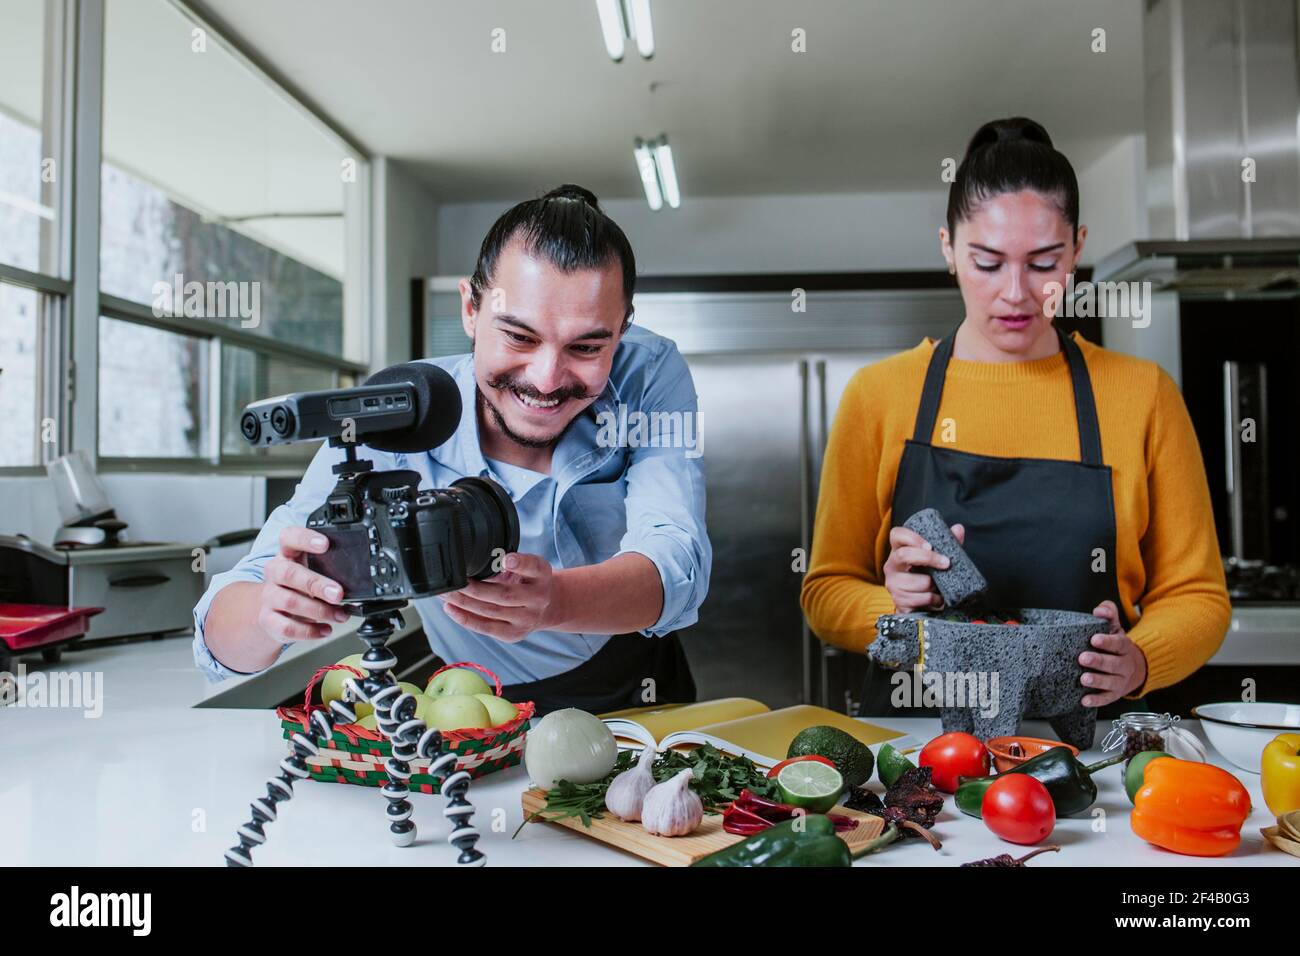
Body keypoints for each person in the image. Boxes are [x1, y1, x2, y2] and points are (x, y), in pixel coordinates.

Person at [193, 184, 710, 715]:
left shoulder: (650, 373)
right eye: (519, 337)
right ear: (471, 308)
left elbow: (679, 560)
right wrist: (270, 612)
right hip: (476, 700)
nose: (547, 380)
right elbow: (218, 643)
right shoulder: (394, 413)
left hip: (634, 676)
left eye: (586, 348)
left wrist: (556, 601)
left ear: (621, 333)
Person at [800, 117, 1230, 719]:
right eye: (988, 262)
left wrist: (1139, 659)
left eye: (1044, 262)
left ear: (1077, 249)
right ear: (948, 249)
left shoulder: (1143, 395)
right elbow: (824, 591)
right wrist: (893, 606)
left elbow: (1199, 595)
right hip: (920, 751)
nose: (1016, 293)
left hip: (1089, 754)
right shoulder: (879, 395)